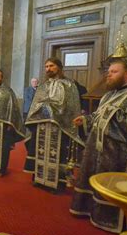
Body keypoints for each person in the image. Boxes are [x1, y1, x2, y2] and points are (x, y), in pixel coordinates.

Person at [70, 60, 127, 233]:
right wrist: (85, 120)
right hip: (96, 148)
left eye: (114, 71)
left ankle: (110, 219)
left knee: (111, 182)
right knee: (94, 177)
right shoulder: (108, 95)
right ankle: (90, 210)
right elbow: (98, 117)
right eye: (109, 71)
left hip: (118, 152)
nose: (109, 74)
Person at [23, 57, 84, 192]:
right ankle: (39, 179)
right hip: (42, 126)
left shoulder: (69, 85)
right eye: (46, 66)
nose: (48, 69)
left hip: (60, 127)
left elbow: (72, 107)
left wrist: (50, 108)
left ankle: (57, 183)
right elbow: (36, 105)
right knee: (40, 152)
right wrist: (45, 108)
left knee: (59, 154)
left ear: (59, 67)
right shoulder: (43, 86)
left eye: (51, 66)